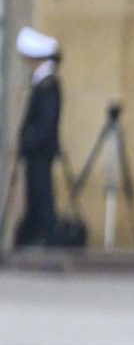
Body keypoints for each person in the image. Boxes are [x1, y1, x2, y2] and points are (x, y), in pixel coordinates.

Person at [12, 27, 62, 248]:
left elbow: (45, 123)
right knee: (35, 191)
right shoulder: (41, 83)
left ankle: (48, 235)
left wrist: (30, 142)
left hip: (41, 149)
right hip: (36, 149)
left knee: (42, 192)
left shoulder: (48, 85)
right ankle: (34, 233)